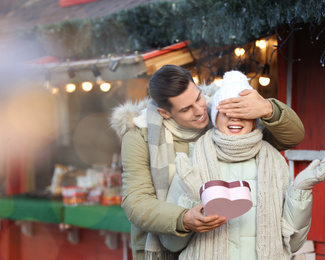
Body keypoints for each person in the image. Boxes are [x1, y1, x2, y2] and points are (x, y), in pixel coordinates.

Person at [109, 65, 306, 260]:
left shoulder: (220, 113)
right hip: (164, 248)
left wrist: (268, 108)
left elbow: (291, 138)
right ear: (165, 113)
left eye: (198, 98)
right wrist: (183, 219)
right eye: (186, 109)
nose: (200, 111)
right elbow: (136, 201)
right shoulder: (140, 135)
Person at [159, 70, 325, 259]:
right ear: (215, 118)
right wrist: (190, 202)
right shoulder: (192, 164)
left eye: (243, 112)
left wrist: (301, 191)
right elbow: (171, 243)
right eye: (226, 111)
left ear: (255, 118)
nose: (235, 118)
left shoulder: (275, 163)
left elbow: (293, 243)